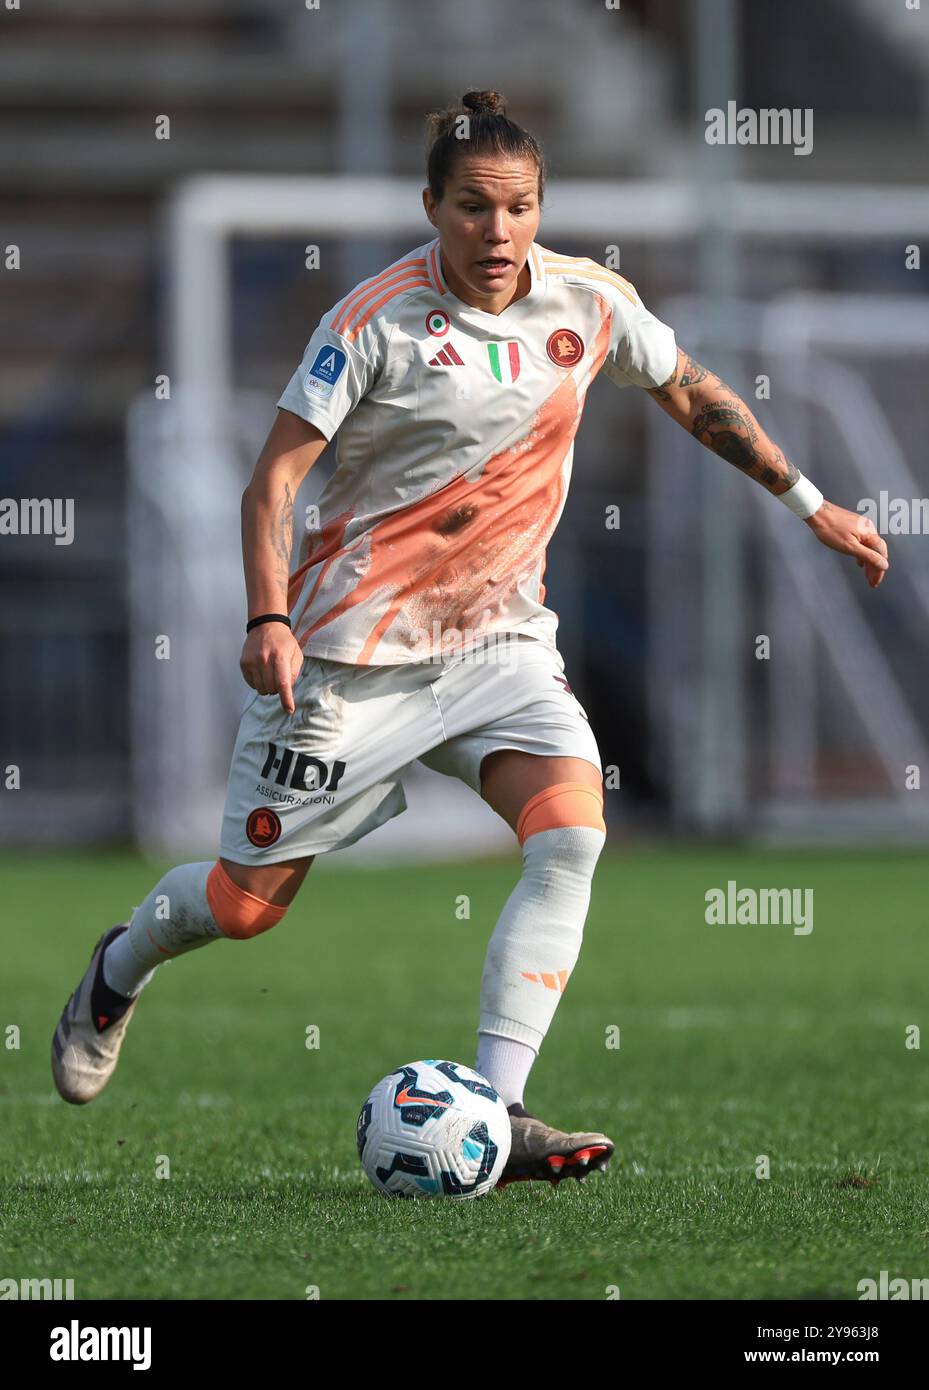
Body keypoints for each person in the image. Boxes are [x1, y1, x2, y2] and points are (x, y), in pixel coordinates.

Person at [52, 90, 889, 1189]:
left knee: (571, 835)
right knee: (242, 906)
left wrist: (809, 501)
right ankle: (114, 973)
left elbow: (686, 386)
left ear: (540, 207)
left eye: (519, 208)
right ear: (431, 207)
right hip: (350, 661)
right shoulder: (372, 322)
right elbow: (272, 481)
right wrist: (265, 616)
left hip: (499, 646)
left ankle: (496, 1109)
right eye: (472, 209)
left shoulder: (586, 304)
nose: (498, 233)